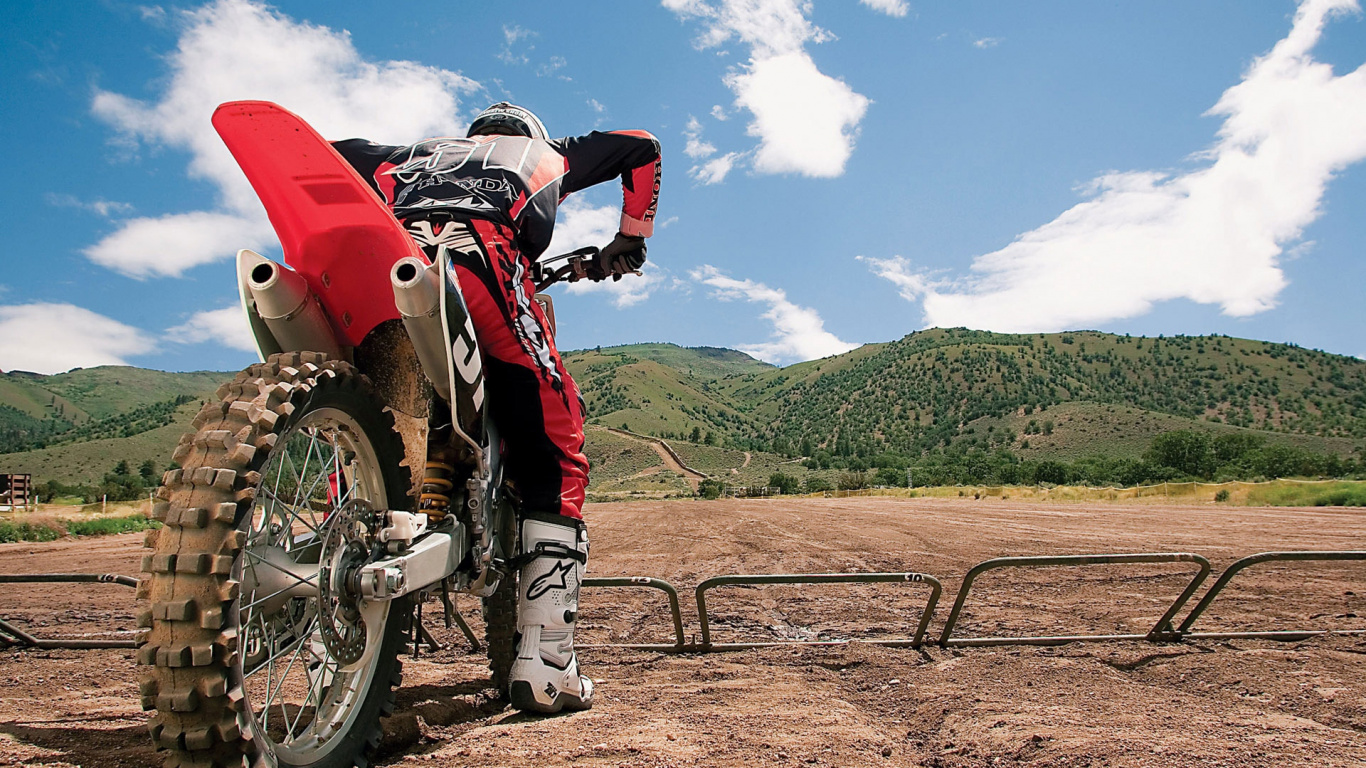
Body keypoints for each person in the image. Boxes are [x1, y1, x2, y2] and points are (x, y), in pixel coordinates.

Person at [332, 102, 660, 713]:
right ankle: (548, 663)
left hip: (382, 272)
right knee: (557, 439)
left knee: (353, 424)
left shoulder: (409, 155)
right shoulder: (542, 153)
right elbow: (640, 144)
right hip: (479, 265)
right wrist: (629, 239)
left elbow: (322, 154)